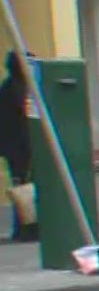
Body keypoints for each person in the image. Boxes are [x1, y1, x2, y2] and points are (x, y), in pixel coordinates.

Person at [1, 52, 33, 241]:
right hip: (21, 147)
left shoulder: (8, 87)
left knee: (21, 186)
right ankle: (26, 227)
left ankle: (24, 226)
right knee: (24, 187)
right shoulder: (17, 89)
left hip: (14, 147)